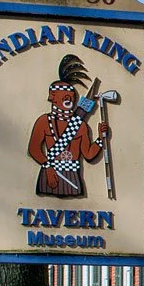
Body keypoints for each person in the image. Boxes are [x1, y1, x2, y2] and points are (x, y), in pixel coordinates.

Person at [27, 54, 109, 198]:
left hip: (73, 177)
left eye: (70, 96)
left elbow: (88, 154)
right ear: (52, 97)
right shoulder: (44, 121)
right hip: (50, 175)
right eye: (63, 94)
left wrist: (100, 139)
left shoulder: (80, 126)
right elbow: (34, 149)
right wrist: (48, 166)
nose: (68, 98)